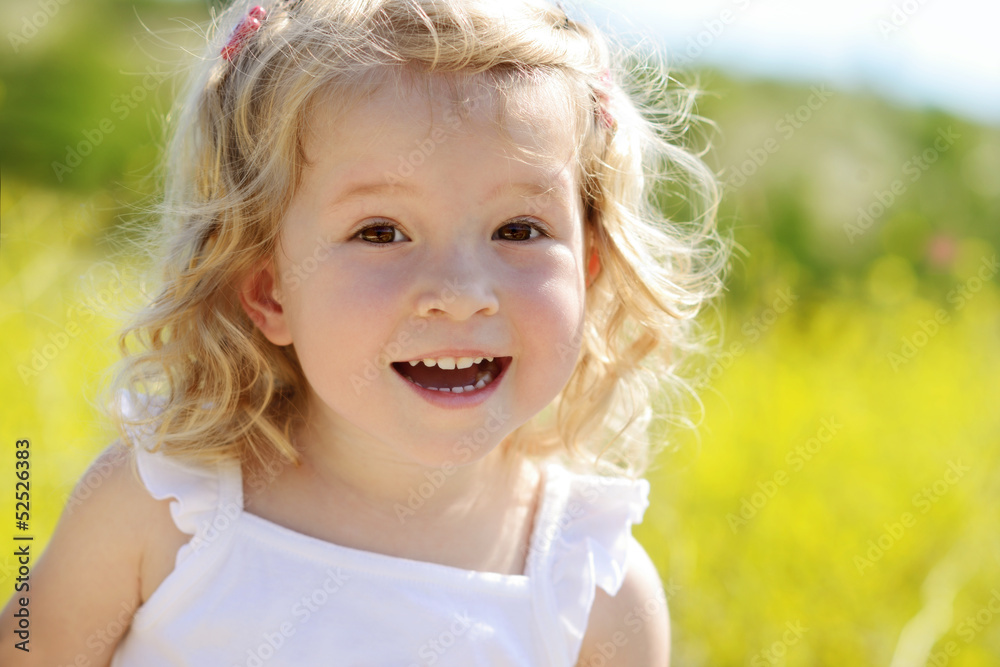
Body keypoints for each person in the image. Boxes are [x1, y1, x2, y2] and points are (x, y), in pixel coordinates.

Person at [1, 0, 725, 664]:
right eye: (381, 231)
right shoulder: (165, 507)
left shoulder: (592, 587)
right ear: (268, 288)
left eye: (518, 228)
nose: (461, 294)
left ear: (591, 269)